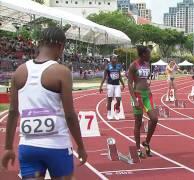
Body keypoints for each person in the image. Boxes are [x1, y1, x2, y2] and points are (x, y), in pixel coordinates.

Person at [1, 27, 87, 179]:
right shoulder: (61, 71)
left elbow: (13, 112)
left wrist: (8, 147)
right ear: (61, 47)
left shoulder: (19, 72)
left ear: (40, 44)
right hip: (57, 147)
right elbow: (70, 115)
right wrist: (80, 146)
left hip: (28, 147)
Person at [128, 46, 158, 158]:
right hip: (137, 95)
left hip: (147, 95)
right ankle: (137, 148)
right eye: (149, 54)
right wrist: (134, 99)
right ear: (143, 54)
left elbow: (145, 79)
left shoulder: (146, 64)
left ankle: (146, 142)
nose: (150, 56)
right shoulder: (133, 65)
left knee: (154, 119)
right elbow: (130, 84)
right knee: (138, 123)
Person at [99, 54, 125, 120]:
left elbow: (119, 77)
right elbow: (104, 77)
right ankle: (109, 113)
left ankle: (116, 113)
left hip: (117, 85)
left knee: (118, 99)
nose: (115, 60)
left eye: (116, 58)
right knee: (109, 100)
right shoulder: (107, 67)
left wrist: (123, 84)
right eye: (114, 58)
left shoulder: (118, 66)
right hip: (110, 85)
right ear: (111, 60)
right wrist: (101, 86)